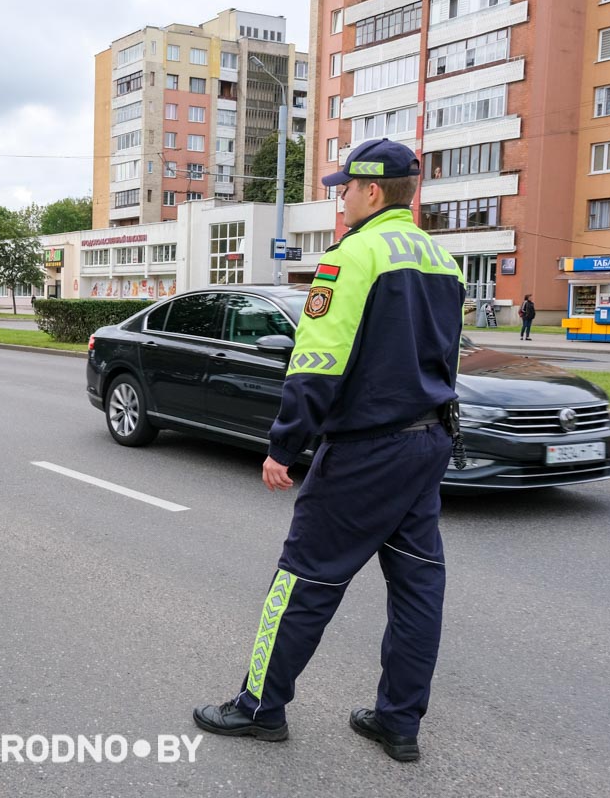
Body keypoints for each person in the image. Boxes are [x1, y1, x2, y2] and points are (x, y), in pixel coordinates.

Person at [192, 138, 466, 762]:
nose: (340, 197)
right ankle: (399, 722)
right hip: (428, 442)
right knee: (419, 586)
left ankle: (259, 708)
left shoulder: (352, 257)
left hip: (365, 452)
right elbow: (446, 359)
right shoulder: (441, 260)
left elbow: (317, 362)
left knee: (303, 579)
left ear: (372, 191)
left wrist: (284, 446)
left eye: (345, 187)